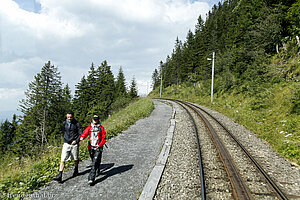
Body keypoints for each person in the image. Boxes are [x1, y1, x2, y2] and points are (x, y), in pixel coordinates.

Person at [53, 110, 82, 183]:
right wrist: (65, 139)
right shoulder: (64, 123)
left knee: (75, 158)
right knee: (63, 159)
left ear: (73, 116)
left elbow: (80, 133)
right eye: (68, 117)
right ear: (66, 116)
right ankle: (60, 175)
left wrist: (76, 140)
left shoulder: (77, 124)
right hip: (66, 143)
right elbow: (64, 131)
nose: (69, 118)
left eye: (71, 117)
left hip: (74, 143)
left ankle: (76, 169)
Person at [80, 115, 106, 184]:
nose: (95, 120)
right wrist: (82, 137)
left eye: (96, 119)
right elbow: (85, 133)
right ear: (92, 119)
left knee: (94, 162)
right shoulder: (89, 127)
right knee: (94, 160)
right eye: (94, 119)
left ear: (98, 120)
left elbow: (104, 137)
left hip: (98, 147)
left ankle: (91, 178)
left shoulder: (101, 128)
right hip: (91, 147)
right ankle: (98, 169)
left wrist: (100, 145)